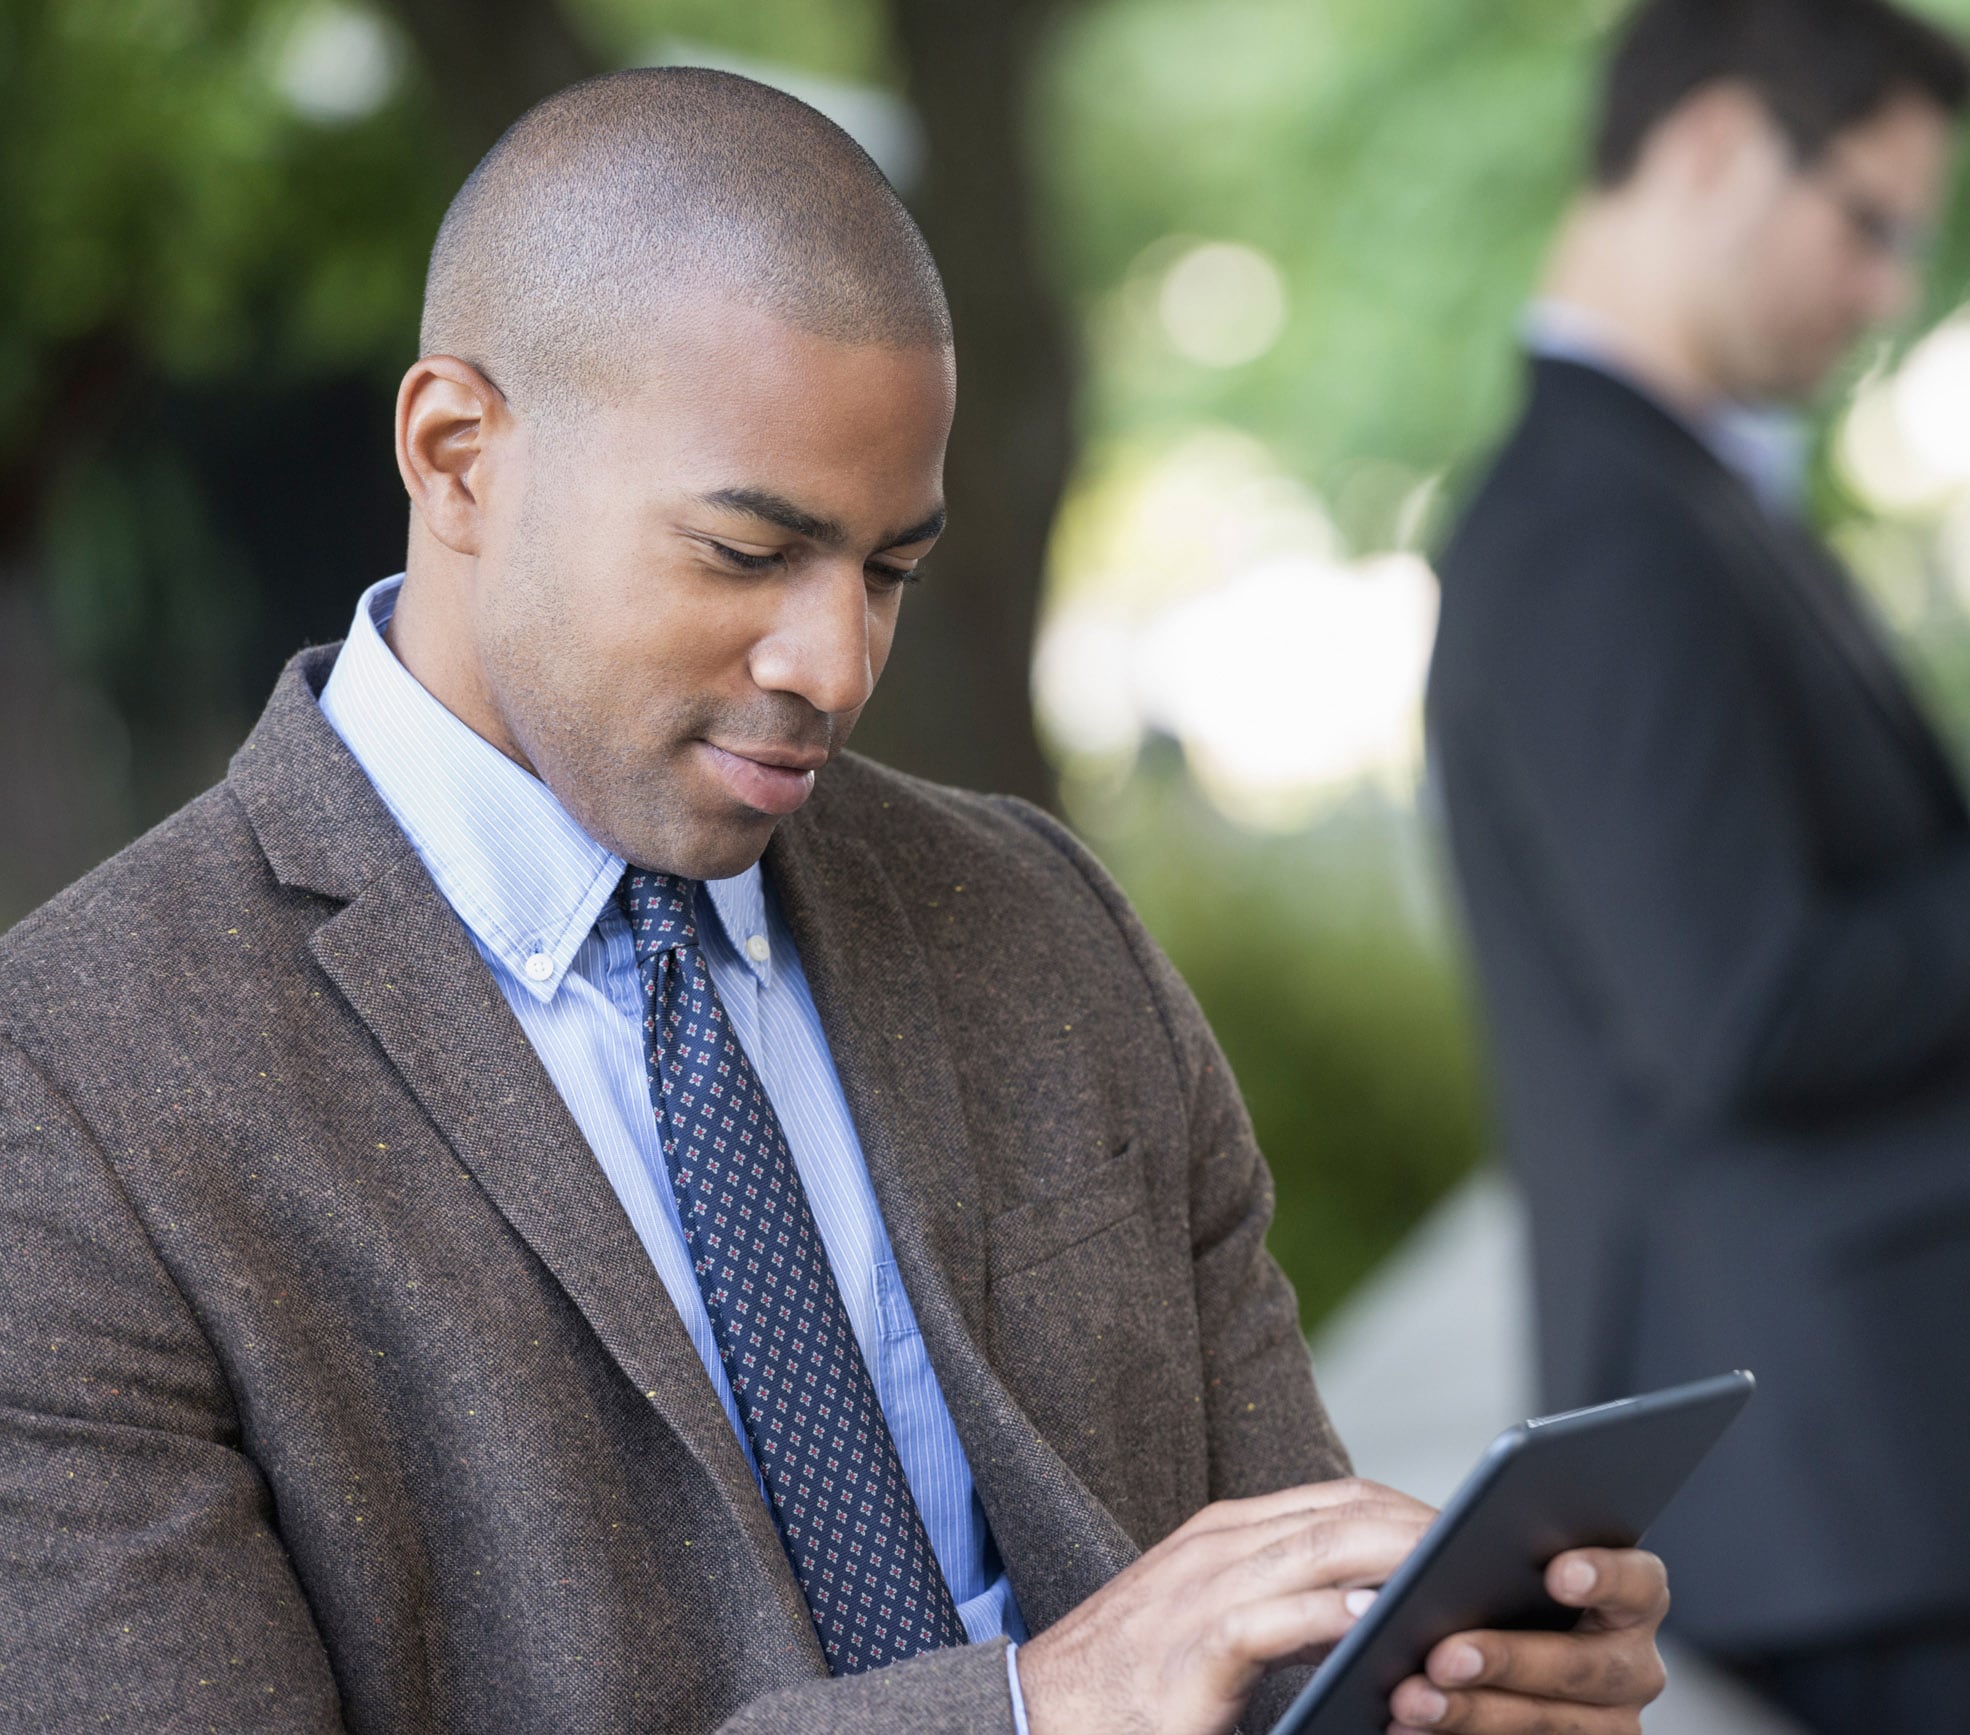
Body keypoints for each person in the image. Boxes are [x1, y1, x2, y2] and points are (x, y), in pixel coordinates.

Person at [0, 70, 1672, 1735]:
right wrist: (1024, 1710)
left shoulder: (1035, 918)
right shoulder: (71, 1099)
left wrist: (1446, 1682)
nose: (835, 663)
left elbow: (1274, 1623)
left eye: (890, 570)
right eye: (746, 552)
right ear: (457, 456)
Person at [1424, 3, 1970, 1732]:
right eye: (1868, 222)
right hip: (1883, 1511)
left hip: (1948, 1492)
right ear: (1717, 145)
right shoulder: (1592, 528)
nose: (1887, 291)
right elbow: (1739, 1012)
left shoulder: (1674, 497)